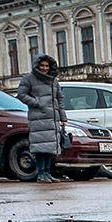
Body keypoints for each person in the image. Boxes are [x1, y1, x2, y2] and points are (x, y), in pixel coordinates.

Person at [16, 54, 67, 183]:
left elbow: (59, 98)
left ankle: (48, 173)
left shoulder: (53, 80)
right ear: (37, 65)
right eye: (42, 65)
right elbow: (21, 95)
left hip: (52, 118)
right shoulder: (29, 79)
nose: (45, 68)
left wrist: (63, 116)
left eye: (47, 66)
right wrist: (37, 103)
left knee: (50, 147)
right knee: (40, 147)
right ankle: (41, 173)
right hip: (38, 117)